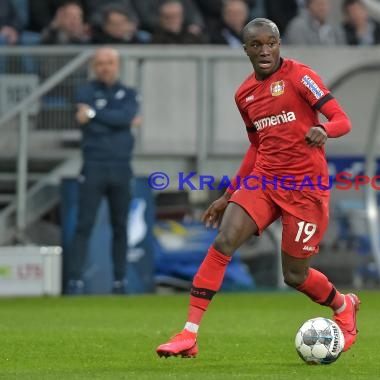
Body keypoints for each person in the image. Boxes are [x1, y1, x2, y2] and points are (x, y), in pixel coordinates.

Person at [156, 17, 360, 359]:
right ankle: (188, 334)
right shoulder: (245, 94)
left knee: (295, 276)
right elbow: (257, 147)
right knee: (223, 241)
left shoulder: (300, 76)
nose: (265, 50)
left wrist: (326, 131)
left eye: (271, 43)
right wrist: (228, 194)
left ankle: (344, 306)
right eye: (257, 45)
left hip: (305, 189)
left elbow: (342, 119)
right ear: (246, 49)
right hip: (264, 180)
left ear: (279, 44)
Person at [66, 47, 140, 295]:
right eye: (100, 63)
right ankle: (74, 280)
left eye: (109, 63)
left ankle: (119, 281)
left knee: (120, 226)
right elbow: (121, 120)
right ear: (94, 67)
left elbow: (124, 117)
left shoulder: (129, 93)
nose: (104, 67)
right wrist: (117, 120)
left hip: (121, 167)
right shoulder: (84, 91)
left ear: (117, 65)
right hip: (94, 165)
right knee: (83, 224)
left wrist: (95, 114)